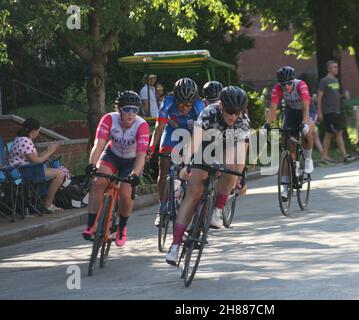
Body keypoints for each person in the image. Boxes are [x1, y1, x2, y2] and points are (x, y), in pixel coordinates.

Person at [165, 86, 249, 265]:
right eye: (229, 111)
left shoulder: (243, 120)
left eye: (237, 112)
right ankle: (175, 245)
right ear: (220, 105)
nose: (233, 116)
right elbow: (195, 141)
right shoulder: (209, 113)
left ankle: (217, 209)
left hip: (227, 148)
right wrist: (186, 164)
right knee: (194, 193)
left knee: (232, 166)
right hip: (205, 147)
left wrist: (240, 177)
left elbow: (241, 151)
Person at [82, 91, 150, 247]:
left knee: (126, 194)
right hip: (112, 155)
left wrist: (136, 174)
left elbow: (141, 155)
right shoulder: (109, 119)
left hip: (132, 160)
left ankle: (122, 227)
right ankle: (91, 224)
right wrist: (92, 164)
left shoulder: (142, 126)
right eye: (127, 109)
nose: (131, 114)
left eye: (135, 110)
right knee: (99, 182)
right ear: (119, 110)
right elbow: (98, 144)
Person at [148, 78, 205, 227]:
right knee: (164, 168)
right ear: (175, 98)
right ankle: (162, 208)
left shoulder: (200, 106)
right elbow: (159, 128)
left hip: (192, 134)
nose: (184, 108)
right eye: (180, 104)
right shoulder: (167, 102)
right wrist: (150, 148)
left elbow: (202, 134)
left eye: (188, 105)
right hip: (172, 133)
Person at [263, 66, 314, 200]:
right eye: (283, 84)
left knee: (307, 132)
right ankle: (285, 187)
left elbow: (306, 108)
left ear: (293, 80)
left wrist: (305, 123)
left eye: (288, 83)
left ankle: (308, 158)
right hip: (291, 113)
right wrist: (267, 125)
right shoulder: (277, 89)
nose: (286, 87)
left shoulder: (301, 85)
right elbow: (273, 109)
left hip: (306, 111)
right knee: (287, 145)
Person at [8, 118, 65, 213]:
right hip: (23, 172)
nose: (38, 133)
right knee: (60, 174)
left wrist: (48, 150)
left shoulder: (22, 139)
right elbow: (36, 161)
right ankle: (48, 204)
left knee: (56, 172)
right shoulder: (24, 141)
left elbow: (36, 156)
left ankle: (44, 201)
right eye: (38, 131)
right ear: (34, 130)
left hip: (24, 169)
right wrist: (51, 151)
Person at [317, 61, 355, 163]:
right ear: (329, 69)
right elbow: (319, 97)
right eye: (334, 67)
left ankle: (324, 157)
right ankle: (344, 156)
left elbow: (336, 95)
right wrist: (319, 112)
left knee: (329, 133)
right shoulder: (324, 81)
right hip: (329, 111)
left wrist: (344, 96)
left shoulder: (336, 80)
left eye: (337, 67)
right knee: (338, 132)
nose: (337, 69)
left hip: (336, 111)